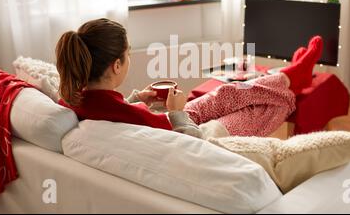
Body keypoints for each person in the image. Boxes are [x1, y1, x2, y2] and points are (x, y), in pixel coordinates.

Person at [56, 18, 323, 138]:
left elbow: (113, 111)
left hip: (173, 121)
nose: (129, 59)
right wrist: (174, 112)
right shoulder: (133, 115)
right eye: (127, 54)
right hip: (198, 134)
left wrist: (135, 99)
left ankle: (290, 75)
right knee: (262, 107)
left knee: (227, 93)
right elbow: (191, 144)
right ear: (116, 66)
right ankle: (292, 78)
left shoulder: (74, 99)